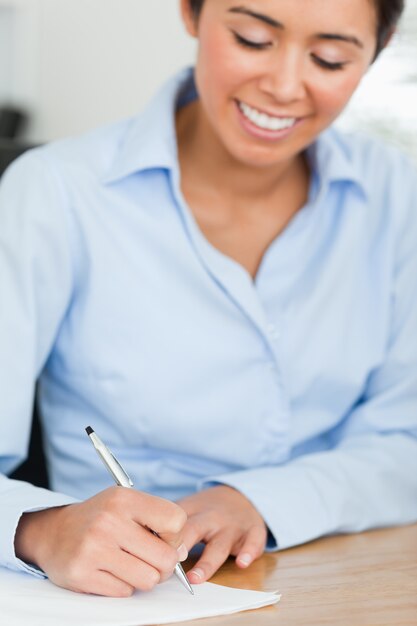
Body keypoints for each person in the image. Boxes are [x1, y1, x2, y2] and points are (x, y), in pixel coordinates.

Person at [0, 0, 416, 598]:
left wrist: (258, 501)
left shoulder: (397, 195)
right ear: (191, 13)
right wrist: (42, 530)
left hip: (351, 577)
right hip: (132, 593)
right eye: (251, 39)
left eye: (329, 57)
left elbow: (406, 440)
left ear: (379, 47)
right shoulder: (56, 194)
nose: (283, 85)